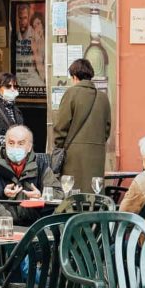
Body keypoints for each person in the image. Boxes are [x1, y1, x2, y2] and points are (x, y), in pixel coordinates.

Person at [0, 125, 60, 225]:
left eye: (20, 144)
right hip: (0, 226)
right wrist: (2, 194)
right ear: (5, 144)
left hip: (33, 228)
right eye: (11, 143)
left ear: (29, 147)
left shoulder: (40, 165)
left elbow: (58, 193)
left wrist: (42, 195)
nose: (15, 147)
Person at [53, 58, 111, 193]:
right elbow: (106, 130)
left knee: (73, 195)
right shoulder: (103, 98)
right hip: (97, 155)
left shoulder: (71, 94)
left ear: (74, 76)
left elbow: (61, 126)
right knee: (94, 194)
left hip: (73, 156)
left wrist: (58, 146)